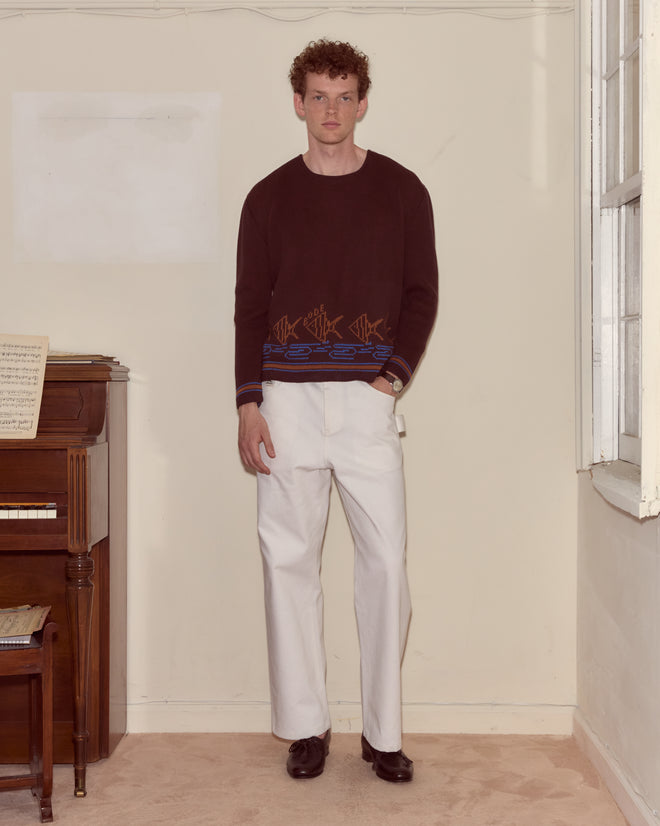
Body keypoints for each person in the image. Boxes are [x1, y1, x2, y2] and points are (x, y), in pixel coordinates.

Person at [234, 38, 438, 783]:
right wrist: (248, 401)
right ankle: (306, 727)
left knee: (385, 563)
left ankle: (383, 735)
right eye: (317, 95)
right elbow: (249, 306)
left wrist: (393, 378)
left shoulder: (403, 191)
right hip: (284, 401)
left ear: (362, 102)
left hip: (365, 404)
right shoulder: (267, 198)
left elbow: (422, 292)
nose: (330, 109)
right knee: (288, 560)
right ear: (298, 101)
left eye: (344, 95)